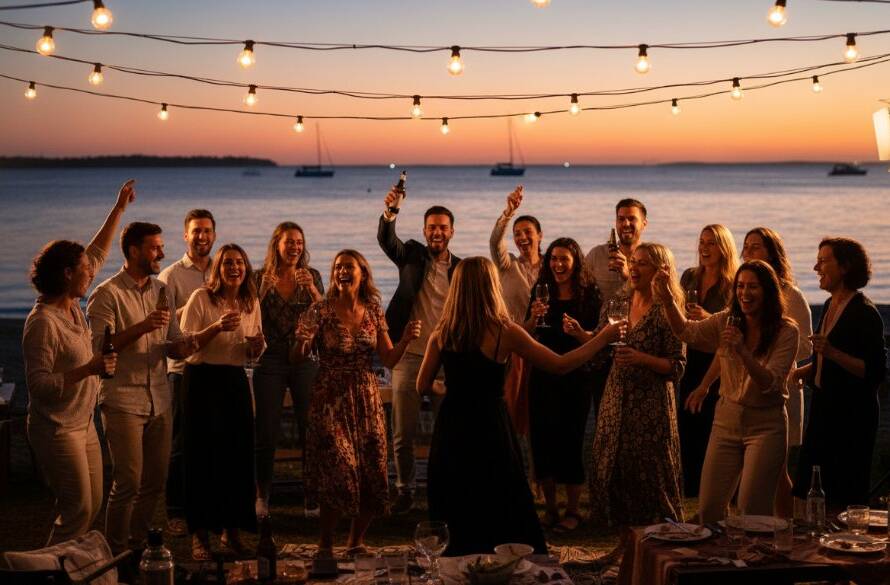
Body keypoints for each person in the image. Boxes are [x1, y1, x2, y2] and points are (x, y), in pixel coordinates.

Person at [418, 257, 621, 556]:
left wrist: (446, 388)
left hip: (453, 426)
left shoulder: (443, 333)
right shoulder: (504, 331)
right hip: (490, 427)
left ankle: (457, 562)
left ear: (457, 288)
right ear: (492, 287)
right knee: (499, 496)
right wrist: (602, 338)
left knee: (456, 496)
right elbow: (560, 365)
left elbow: (422, 385)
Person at [22, 179, 134, 544]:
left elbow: (98, 252)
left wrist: (119, 208)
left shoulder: (72, 304)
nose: (93, 272)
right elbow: (38, 387)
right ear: (68, 274)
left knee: (93, 503)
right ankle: (50, 571)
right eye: (85, 269)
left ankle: (69, 566)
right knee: (77, 510)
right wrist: (90, 368)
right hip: (55, 428)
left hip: (82, 423)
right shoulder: (42, 323)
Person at [293, 250, 420, 554]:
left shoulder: (374, 311)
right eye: (337, 267)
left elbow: (388, 359)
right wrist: (303, 341)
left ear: (362, 273)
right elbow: (297, 357)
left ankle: (355, 541)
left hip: (366, 396)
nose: (342, 272)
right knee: (339, 467)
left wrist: (405, 340)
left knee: (371, 469)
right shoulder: (319, 311)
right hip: (330, 398)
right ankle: (325, 542)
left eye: (348, 267)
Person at [655, 260, 799, 523]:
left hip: (766, 425)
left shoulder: (786, 331)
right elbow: (687, 331)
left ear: (768, 291)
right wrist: (667, 300)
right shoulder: (725, 320)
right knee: (709, 510)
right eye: (740, 286)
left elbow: (771, 383)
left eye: (753, 287)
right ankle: (716, 562)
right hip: (726, 421)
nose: (745, 293)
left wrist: (742, 349)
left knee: (751, 511)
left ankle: (752, 561)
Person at [87, 222, 195, 554]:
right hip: (123, 400)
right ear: (134, 251)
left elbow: (172, 340)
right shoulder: (106, 294)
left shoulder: (162, 291)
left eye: (161, 247)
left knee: (154, 482)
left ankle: (137, 545)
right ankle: (116, 553)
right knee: (128, 483)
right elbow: (99, 349)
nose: (162, 253)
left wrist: (184, 346)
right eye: (154, 247)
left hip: (160, 399)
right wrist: (143, 326)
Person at [589, 243, 687, 528]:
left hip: (650, 402)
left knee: (649, 464)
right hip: (615, 394)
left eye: (643, 263)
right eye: (633, 262)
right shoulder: (617, 303)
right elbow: (599, 342)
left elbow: (677, 366)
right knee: (609, 455)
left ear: (660, 271)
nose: (634, 268)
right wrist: (577, 336)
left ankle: (655, 522)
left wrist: (641, 358)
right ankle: (612, 520)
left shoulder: (667, 310)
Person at [378, 187, 461, 514]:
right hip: (409, 355)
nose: (437, 232)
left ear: (452, 231)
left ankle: (445, 487)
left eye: (443, 227)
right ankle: (405, 489)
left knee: (448, 431)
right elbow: (388, 240)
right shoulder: (411, 254)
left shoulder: (461, 269)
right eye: (432, 227)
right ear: (425, 231)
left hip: (446, 359)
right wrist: (391, 212)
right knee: (403, 433)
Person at [180, 244, 265, 559]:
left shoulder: (250, 301)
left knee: (238, 457)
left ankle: (232, 531)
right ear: (217, 269)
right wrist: (216, 327)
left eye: (240, 262)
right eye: (228, 262)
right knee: (202, 457)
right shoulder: (201, 299)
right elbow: (185, 345)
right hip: (202, 381)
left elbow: (251, 347)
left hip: (234, 380)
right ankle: (200, 537)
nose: (235, 268)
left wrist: (257, 346)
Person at [793, 238, 886, 509]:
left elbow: (874, 371)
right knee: (813, 485)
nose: (815, 267)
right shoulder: (830, 304)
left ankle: (844, 545)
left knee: (843, 491)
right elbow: (826, 361)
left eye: (823, 261)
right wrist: (803, 372)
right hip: (824, 410)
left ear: (845, 266)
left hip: (850, 418)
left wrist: (833, 353)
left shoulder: (864, 313)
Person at [525, 238, 602, 532]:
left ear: (575, 263)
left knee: (571, 442)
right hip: (542, 374)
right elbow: (528, 333)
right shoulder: (541, 290)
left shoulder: (589, 294)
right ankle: (550, 509)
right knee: (542, 442)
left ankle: (573, 510)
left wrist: (579, 331)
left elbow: (598, 336)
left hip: (576, 375)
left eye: (564, 260)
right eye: (554, 259)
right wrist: (533, 317)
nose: (558, 264)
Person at [252, 222, 324, 518]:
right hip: (269, 360)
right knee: (266, 430)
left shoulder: (312, 276)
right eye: (289, 242)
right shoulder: (259, 277)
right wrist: (262, 290)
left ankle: (312, 496)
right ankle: (262, 495)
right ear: (276, 245)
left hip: (304, 357)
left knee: (310, 427)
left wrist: (311, 290)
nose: (294, 247)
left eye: (298, 242)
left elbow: (326, 312)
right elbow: (247, 315)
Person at [739, 227, 812, 516]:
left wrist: (774, 351)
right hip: (751, 383)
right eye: (746, 247)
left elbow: (805, 346)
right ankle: (769, 522)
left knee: (777, 467)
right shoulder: (746, 291)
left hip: (782, 386)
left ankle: (786, 522)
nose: (748, 252)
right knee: (758, 465)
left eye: (755, 247)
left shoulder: (789, 294)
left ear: (772, 252)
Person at [158, 208, 216, 536]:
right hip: (182, 369)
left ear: (214, 234)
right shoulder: (171, 276)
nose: (202, 236)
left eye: (207, 231)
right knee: (180, 442)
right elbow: (163, 325)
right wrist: (193, 308)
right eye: (196, 231)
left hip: (216, 367)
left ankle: (207, 503)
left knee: (210, 440)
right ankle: (176, 510)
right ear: (185, 235)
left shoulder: (221, 270)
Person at [676, 225, 738, 498]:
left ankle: (715, 487)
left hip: (716, 360)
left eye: (711, 243)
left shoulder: (733, 284)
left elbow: (731, 330)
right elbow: (677, 311)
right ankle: (689, 487)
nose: (704, 248)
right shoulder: (690, 276)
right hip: (689, 357)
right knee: (687, 421)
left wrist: (706, 318)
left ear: (723, 247)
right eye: (702, 242)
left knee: (711, 423)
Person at [488, 185, 543, 441]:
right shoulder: (508, 265)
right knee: (510, 410)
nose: (522, 238)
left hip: (545, 345)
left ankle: (537, 476)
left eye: (528, 232)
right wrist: (507, 214)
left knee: (537, 413)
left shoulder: (552, 266)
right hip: (515, 348)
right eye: (517, 233)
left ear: (540, 235)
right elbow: (495, 242)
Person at [584, 198, 649, 305]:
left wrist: (628, 276)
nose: (626, 224)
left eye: (632, 219)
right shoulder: (597, 255)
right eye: (621, 219)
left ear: (644, 223)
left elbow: (657, 298)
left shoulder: (652, 257)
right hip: (604, 321)